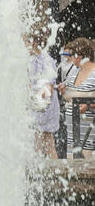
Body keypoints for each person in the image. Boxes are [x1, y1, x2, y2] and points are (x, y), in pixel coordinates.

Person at [59, 38, 95, 158]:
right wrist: (64, 93)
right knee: (71, 172)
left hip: (89, 138)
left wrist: (89, 105)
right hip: (72, 138)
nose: (70, 59)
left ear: (79, 56)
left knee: (86, 172)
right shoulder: (74, 72)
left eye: (71, 55)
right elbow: (70, 98)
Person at [28, 29, 60, 158]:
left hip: (44, 104)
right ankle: (54, 173)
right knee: (47, 141)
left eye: (26, 42)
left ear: (34, 43)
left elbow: (48, 88)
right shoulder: (35, 60)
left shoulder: (45, 60)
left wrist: (33, 103)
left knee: (38, 141)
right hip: (41, 102)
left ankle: (33, 173)